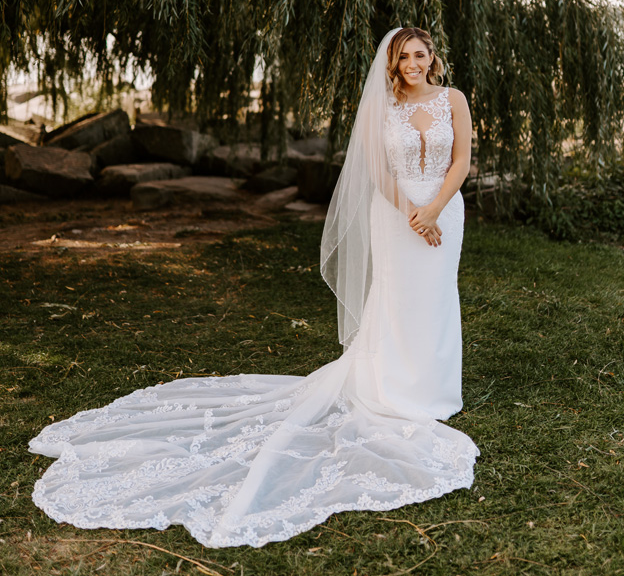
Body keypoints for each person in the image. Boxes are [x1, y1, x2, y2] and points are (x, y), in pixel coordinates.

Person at [29, 27, 479, 548]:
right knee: (397, 298)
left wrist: (435, 211)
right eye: (404, 57)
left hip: (445, 212)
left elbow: (461, 160)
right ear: (393, 63)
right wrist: (411, 215)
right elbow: (378, 170)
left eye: (421, 55)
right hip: (396, 214)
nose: (413, 64)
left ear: (433, 58)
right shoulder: (382, 105)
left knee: (437, 296)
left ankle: (434, 389)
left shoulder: (454, 100)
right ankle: (394, 388)